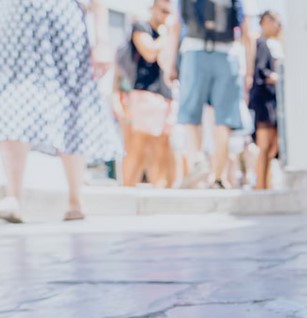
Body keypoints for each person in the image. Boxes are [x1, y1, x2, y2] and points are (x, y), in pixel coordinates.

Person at [0, 0, 121, 222]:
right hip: (15, 15)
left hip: (63, 17)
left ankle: (76, 198)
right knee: (11, 99)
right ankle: (13, 196)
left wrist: (102, 40)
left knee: (71, 100)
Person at [174, 0, 255, 189]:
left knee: (190, 113)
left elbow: (176, 24)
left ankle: (198, 160)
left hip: (194, 49)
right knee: (224, 119)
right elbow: (247, 32)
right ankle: (219, 176)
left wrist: (171, 63)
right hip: (227, 54)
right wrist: (249, 71)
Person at [122, 0, 178, 188]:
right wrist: (165, 36)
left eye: (168, 12)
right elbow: (149, 53)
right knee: (138, 145)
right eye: (162, 11)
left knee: (161, 145)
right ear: (153, 8)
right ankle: (127, 190)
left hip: (165, 93)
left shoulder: (171, 35)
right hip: (144, 92)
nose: (165, 16)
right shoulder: (141, 27)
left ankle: (158, 189)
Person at [248, 10, 283, 190]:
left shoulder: (267, 44)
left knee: (270, 148)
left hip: (268, 103)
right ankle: (260, 184)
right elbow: (261, 73)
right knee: (264, 147)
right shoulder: (261, 44)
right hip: (264, 103)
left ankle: (264, 183)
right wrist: (278, 77)